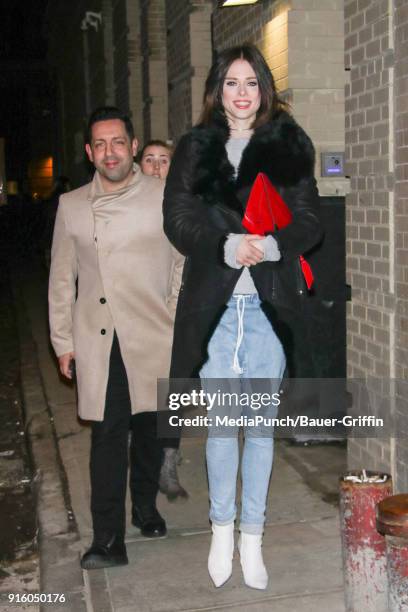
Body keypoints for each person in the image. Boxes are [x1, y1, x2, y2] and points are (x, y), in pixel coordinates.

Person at [163, 44, 322, 590]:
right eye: (232, 83)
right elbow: (177, 219)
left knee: (258, 430)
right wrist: (225, 245)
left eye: (251, 82)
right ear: (217, 91)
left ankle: (253, 537)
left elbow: (310, 221)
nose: (242, 93)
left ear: (264, 89)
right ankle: (221, 532)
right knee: (220, 428)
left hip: (267, 308)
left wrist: (273, 246)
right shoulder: (195, 147)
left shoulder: (287, 145)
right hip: (215, 308)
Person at [48, 106, 183, 569]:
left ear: (132, 145)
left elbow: (183, 260)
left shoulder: (165, 196)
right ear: (90, 152)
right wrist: (63, 341)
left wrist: (174, 311)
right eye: (100, 144)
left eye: (118, 142)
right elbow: (61, 280)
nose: (110, 152)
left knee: (150, 431)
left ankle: (144, 506)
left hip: (153, 334)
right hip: (100, 339)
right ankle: (107, 539)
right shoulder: (71, 205)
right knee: (107, 437)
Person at [136, 139, 188, 501]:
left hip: (173, 314)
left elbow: (185, 262)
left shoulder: (181, 207)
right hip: (135, 315)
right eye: (149, 160)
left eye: (163, 160)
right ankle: (141, 456)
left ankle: (167, 460)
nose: (156, 167)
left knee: (173, 390)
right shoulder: (130, 208)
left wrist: (171, 309)